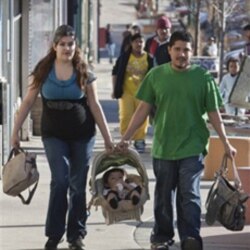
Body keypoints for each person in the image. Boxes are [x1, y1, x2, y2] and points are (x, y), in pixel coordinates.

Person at [117, 31, 237, 250]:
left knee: (189, 193)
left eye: (187, 50)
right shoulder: (156, 75)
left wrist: (226, 143)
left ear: (192, 52)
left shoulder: (203, 77)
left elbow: (213, 113)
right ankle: (162, 236)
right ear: (170, 50)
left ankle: (191, 237)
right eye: (178, 49)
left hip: (193, 146)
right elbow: (142, 109)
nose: (182, 54)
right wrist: (126, 138)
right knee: (163, 196)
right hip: (164, 146)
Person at [11, 25, 114, 250]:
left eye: (71, 44)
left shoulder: (83, 70)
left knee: (77, 185)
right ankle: (54, 234)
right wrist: (15, 132)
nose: (67, 48)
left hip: (82, 134)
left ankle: (76, 235)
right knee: (60, 180)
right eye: (63, 44)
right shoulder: (44, 69)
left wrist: (107, 139)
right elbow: (28, 101)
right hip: (53, 134)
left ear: (75, 46)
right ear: (54, 46)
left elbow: (95, 106)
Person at [112, 33, 153, 153]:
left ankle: (139, 140)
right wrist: (115, 89)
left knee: (142, 117)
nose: (138, 44)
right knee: (125, 116)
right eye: (136, 42)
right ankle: (126, 139)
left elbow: (154, 76)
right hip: (126, 92)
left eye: (141, 42)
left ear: (144, 44)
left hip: (143, 93)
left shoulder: (149, 58)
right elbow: (115, 72)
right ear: (131, 43)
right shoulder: (125, 57)